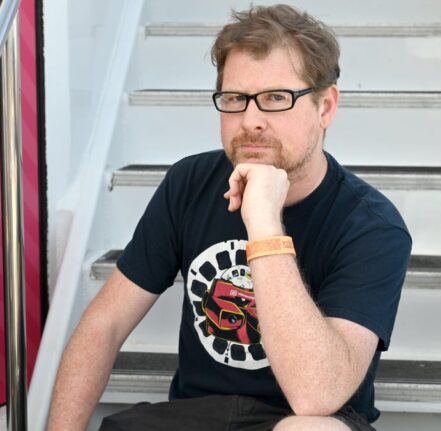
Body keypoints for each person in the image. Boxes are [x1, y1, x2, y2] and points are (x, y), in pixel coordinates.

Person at [47, 4, 411, 431]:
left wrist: (264, 222)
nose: (251, 121)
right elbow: (104, 325)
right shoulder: (189, 183)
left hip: (300, 419)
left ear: (325, 106)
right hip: (199, 415)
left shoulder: (371, 227)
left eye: (276, 98)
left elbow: (316, 394)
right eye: (236, 99)